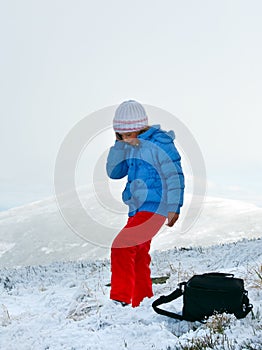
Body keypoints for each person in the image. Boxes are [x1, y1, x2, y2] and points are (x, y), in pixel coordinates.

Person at [106, 100, 184, 307]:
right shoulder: (128, 146)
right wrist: (118, 146)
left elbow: (174, 175)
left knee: (121, 246)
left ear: (141, 128)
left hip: (155, 207)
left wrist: (174, 207)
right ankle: (141, 302)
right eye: (121, 135)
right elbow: (114, 173)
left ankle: (120, 300)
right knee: (139, 256)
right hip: (137, 209)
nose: (127, 138)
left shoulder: (160, 144)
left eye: (130, 134)